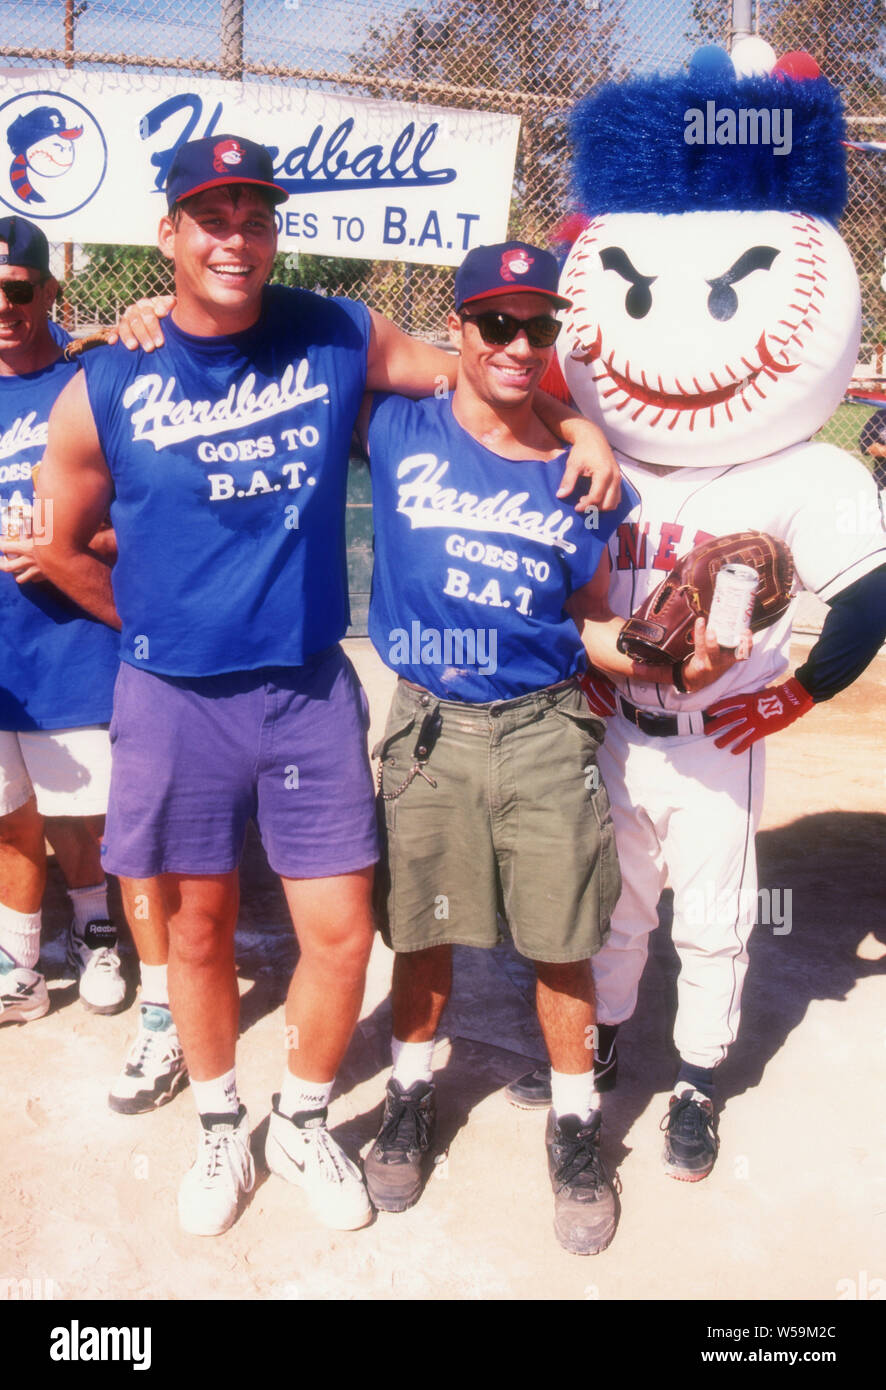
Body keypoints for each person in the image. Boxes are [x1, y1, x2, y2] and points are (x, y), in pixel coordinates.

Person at [36, 136, 621, 1239]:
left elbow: (481, 371)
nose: (235, 238)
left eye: (255, 216)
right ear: (167, 233)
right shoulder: (109, 373)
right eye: (210, 216)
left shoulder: (337, 333)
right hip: (171, 698)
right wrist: (156, 624)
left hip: (306, 689)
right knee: (198, 931)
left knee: (344, 931)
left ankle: (302, 1117)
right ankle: (221, 1125)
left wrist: (578, 423)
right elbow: (62, 543)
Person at [505, 54, 886, 1184]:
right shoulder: (592, 449)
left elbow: (868, 595)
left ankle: (696, 1081)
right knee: (612, 906)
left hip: (717, 738)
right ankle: (607, 1035)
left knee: (715, 919)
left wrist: (793, 693)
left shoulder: (802, 475)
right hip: (606, 722)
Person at [359, 242, 747, 1254]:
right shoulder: (399, 429)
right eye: (496, 321)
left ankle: (576, 1124)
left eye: (538, 325)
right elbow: (299, 348)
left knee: (562, 934)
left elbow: (587, 623)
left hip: (542, 721)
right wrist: (132, 322)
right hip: (430, 719)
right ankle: (409, 1095)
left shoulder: (586, 484)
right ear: (459, 329)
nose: (517, 343)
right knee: (423, 925)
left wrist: (677, 666)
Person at [0, 214, 127, 1026]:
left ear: (49, 289)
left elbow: (148, 516)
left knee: (81, 814)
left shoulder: (93, 381)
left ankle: (96, 930)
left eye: (16, 289)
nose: (3, 306)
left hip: (71, 638)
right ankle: (19, 964)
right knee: (7, 813)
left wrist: (68, 544)